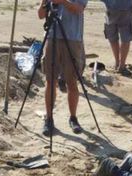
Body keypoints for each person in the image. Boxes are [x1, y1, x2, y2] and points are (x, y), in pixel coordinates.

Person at [36, 0, 88, 136]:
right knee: (50, 80)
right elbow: (41, 15)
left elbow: (79, 9)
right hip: (52, 36)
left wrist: (63, 2)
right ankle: (49, 118)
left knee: (71, 81)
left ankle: (73, 118)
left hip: (72, 38)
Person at [102, 0, 132, 75]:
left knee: (113, 36)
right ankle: (121, 65)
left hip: (111, 8)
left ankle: (117, 63)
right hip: (125, 7)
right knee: (125, 37)